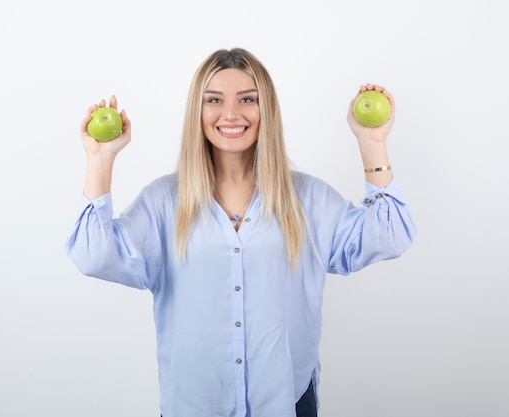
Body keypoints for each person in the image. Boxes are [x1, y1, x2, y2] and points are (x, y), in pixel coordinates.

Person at [65, 47, 416, 417]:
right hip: (193, 406)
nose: (230, 114)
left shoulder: (308, 199)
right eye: (214, 100)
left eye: (247, 99)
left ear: (267, 110)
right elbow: (92, 255)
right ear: (197, 112)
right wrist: (100, 159)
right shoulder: (162, 202)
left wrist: (372, 142)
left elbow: (390, 235)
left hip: (286, 402)